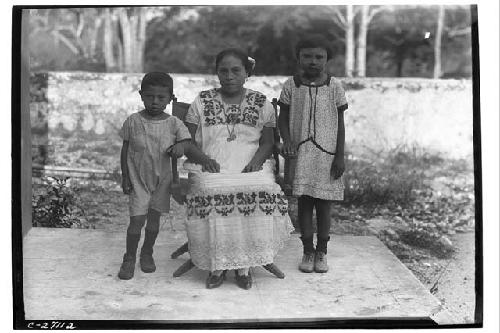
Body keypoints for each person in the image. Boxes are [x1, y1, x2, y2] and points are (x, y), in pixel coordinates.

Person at [183, 48, 294, 290]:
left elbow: (267, 142)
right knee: (208, 187)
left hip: (250, 161)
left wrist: (257, 160)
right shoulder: (201, 101)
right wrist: (202, 158)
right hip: (212, 161)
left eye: (236, 70)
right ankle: (217, 265)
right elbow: (186, 142)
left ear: (247, 73)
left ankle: (244, 266)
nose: (229, 76)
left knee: (262, 185)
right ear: (216, 73)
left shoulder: (260, 102)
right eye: (223, 70)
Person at [278, 36, 348, 274]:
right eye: (307, 56)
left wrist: (340, 155)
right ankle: (307, 250)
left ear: (327, 59)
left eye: (319, 57)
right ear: (298, 57)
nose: (313, 61)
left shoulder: (334, 86)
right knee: (304, 203)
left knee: (324, 205)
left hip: (327, 155)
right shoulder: (291, 85)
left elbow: (340, 123)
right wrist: (287, 141)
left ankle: (322, 252)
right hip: (301, 153)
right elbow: (283, 118)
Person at [118, 72, 193, 280]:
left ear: (170, 98)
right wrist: (125, 177)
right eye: (150, 96)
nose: (155, 102)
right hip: (138, 180)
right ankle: (129, 257)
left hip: (162, 181)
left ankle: (147, 252)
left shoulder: (174, 124)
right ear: (141, 95)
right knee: (136, 221)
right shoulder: (133, 121)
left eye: (161, 98)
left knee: (153, 221)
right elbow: (125, 149)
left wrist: (179, 146)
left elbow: (186, 142)